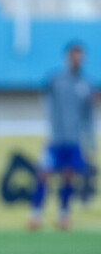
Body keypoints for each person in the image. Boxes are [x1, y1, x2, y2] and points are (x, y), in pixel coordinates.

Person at [28, 42, 96, 230]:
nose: (77, 59)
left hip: (74, 139)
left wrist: (90, 141)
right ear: (67, 57)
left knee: (69, 176)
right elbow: (46, 104)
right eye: (74, 55)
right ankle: (35, 214)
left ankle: (63, 215)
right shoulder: (56, 80)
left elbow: (88, 116)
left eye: (80, 55)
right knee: (43, 174)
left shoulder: (86, 85)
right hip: (55, 139)